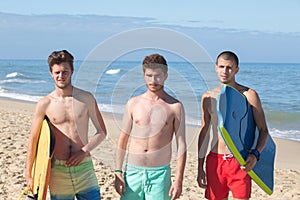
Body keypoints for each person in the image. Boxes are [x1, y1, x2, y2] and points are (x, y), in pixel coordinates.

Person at [25, 50, 107, 200]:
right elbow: (34, 140)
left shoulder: (86, 99)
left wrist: (84, 151)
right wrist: (29, 174)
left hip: (84, 168)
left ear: (72, 71)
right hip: (58, 171)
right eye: (57, 72)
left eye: (65, 72)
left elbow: (101, 132)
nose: (61, 76)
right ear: (51, 73)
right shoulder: (45, 104)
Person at [196, 51, 270, 200]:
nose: (225, 71)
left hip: (239, 160)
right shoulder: (208, 97)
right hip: (215, 159)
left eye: (229, 67)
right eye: (221, 66)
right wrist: (200, 167)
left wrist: (255, 155)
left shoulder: (249, 95)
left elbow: (263, 130)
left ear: (237, 69)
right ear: (216, 67)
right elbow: (204, 132)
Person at [114, 53, 187, 200]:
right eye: (149, 75)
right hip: (132, 172)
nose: (153, 80)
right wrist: (118, 171)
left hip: (159, 174)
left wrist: (179, 179)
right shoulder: (133, 103)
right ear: (144, 75)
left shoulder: (175, 107)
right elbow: (122, 140)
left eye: (158, 76)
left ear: (166, 75)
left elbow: (181, 145)